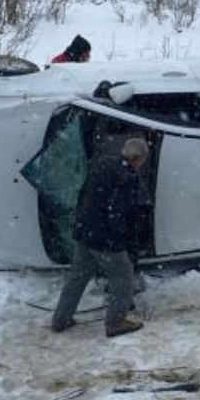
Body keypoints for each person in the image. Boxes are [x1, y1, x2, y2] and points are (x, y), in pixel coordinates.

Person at [51, 138, 150, 338]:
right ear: (136, 158)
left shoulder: (102, 164)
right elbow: (120, 214)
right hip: (105, 239)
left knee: (77, 278)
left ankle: (60, 319)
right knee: (124, 278)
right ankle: (115, 322)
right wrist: (123, 243)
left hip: (86, 232)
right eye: (141, 162)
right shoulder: (126, 178)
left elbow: (83, 196)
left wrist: (82, 224)